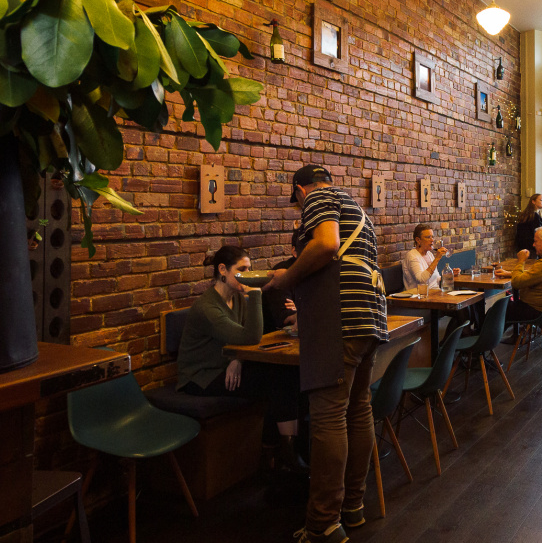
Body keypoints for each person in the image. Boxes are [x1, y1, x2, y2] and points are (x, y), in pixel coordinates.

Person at [265, 165, 387, 543]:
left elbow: (327, 244)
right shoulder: (355, 207)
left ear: (300, 190)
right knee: (358, 409)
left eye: (296, 201)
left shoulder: (318, 197)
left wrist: (287, 277)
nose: (299, 207)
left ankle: (322, 523)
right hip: (369, 314)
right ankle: (352, 506)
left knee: (329, 417)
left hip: (339, 316)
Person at [177, 245, 304, 472]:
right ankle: (284, 455)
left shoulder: (237, 299)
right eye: (242, 269)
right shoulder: (207, 307)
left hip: (226, 366)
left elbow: (248, 338)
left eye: (249, 270)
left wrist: (237, 360)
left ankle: (283, 451)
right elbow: (251, 336)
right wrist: (255, 292)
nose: (247, 275)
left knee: (287, 374)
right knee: (279, 380)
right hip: (200, 377)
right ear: (222, 270)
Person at [495, 226, 542, 323]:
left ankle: (486, 332)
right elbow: (535, 276)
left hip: (536, 310)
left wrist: (521, 261)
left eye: (536, 241)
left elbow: (516, 283)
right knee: (503, 310)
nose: (533, 244)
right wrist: (510, 273)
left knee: (495, 311)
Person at [403, 223, 460, 290]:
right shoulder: (412, 256)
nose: (432, 240)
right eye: (428, 237)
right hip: (420, 295)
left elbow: (436, 279)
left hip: (435, 292)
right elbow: (421, 280)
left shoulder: (429, 254)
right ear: (418, 240)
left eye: (432, 237)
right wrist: (437, 258)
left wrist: (449, 275)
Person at [515, 193, 542, 257]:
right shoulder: (534, 216)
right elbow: (539, 231)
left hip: (523, 247)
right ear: (533, 201)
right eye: (541, 200)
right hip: (531, 248)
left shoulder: (528, 214)